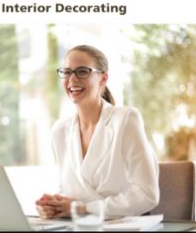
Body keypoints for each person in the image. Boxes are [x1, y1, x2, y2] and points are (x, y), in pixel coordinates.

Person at [35, 44, 160, 220]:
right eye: (67, 72)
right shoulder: (60, 130)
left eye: (82, 71)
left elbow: (147, 195)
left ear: (103, 78)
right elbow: (66, 188)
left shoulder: (125, 119)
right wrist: (53, 206)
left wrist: (82, 208)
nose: (72, 79)